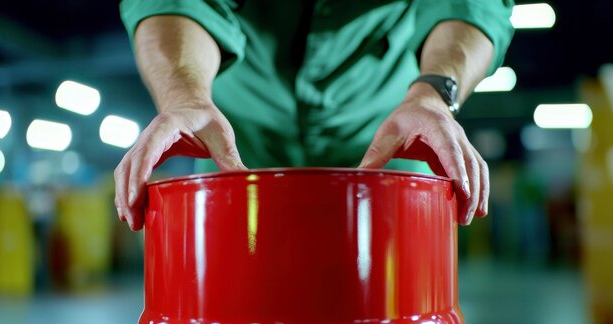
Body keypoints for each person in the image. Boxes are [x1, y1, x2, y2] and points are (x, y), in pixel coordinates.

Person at [114, 0, 514, 231]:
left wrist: (435, 94)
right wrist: (184, 96)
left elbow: (472, 4)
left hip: (393, 136)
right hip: (232, 141)